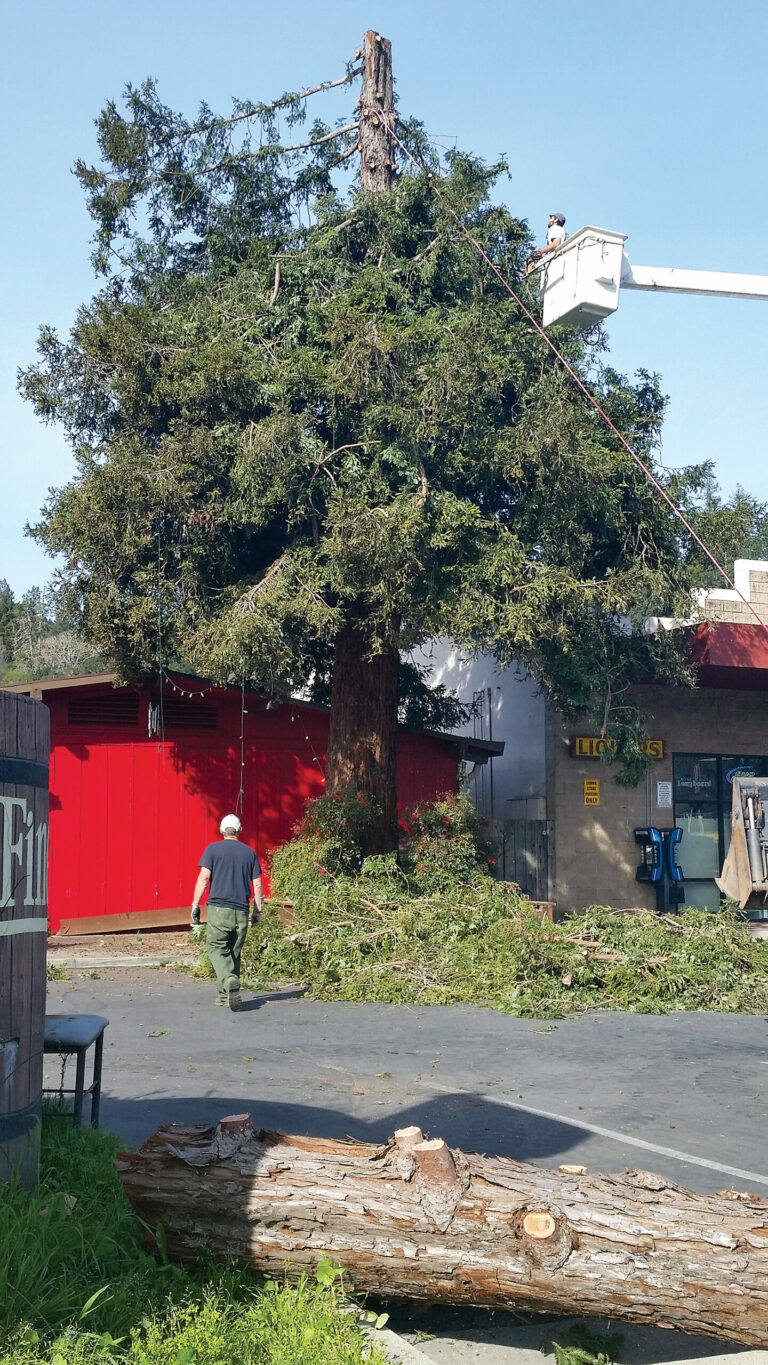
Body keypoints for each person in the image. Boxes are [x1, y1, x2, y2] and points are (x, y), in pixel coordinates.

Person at [190, 814, 265, 1011]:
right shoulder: (249, 853)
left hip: (218, 909)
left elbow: (204, 877)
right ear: (240, 831)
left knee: (216, 948)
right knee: (233, 952)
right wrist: (258, 911)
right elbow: (257, 884)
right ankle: (225, 996)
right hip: (241, 909)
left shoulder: (212, 850)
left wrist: (195, 904)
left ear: (222, 830)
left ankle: (229, 980)